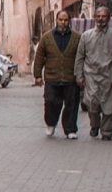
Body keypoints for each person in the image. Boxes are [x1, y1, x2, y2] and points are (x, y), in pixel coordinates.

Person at [34, 10, 81, 139]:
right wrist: (37, 75)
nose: (63, 22)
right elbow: (39, 57)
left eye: (65, 20)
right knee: (50, 102)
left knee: (71, 105)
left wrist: (81, 76)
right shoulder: (47, 37)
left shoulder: (77, 37)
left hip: (70, 78)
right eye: (60, 19)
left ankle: (70, 129)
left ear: (69, 21)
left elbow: (81, 57)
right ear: (56, 20)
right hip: (51, 77)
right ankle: (50, 124)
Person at [75, 6, 112, 140]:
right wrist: (79, 76)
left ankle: (107, 132)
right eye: (98, 16)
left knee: (110, 105)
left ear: (109, 18)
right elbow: (80, 57)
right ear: (94, 17)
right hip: (91, 76)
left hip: (110, 76)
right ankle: (95, 125)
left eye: (104, 16)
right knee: (92, 104)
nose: (100, 19)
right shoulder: (86, 36)